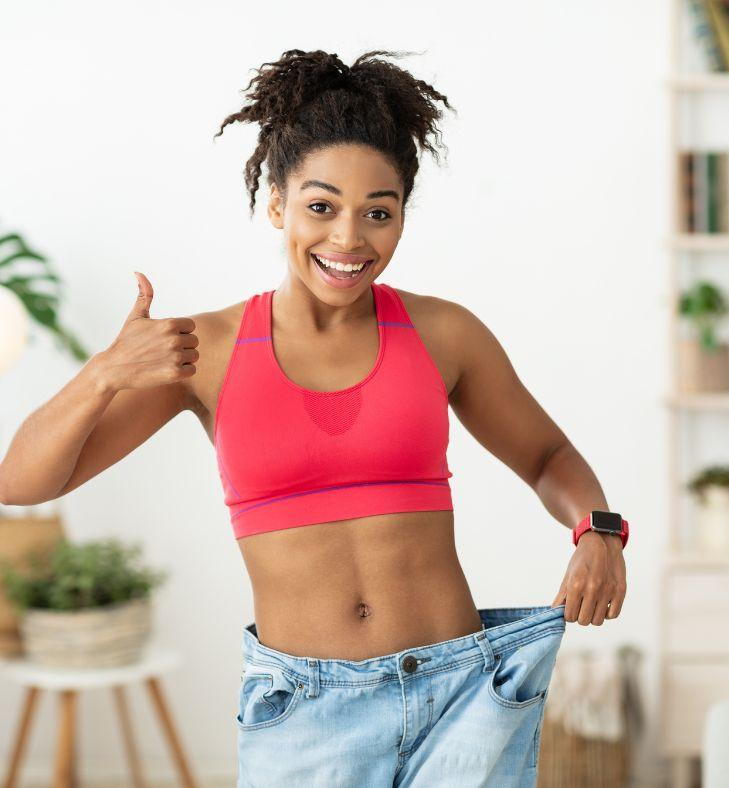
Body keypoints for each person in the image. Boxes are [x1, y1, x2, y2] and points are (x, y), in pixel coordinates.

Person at [0, 48, 628, 787]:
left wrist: (599, 530)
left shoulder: (445, 334)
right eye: (321, 207)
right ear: (277, 203)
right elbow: (22, 481)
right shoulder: (207, 350)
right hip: (306, 712)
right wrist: (105, 373)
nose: (349, 240)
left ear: (401, 217)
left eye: (379, 214)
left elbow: (546, 453)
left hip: (463, 691)